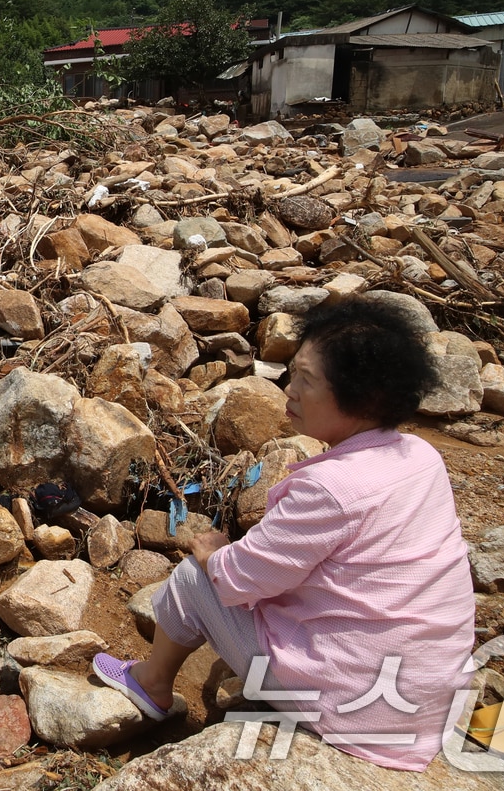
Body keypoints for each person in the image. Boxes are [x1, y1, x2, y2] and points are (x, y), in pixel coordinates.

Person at [93, 296, 476, 771]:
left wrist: (213, 551)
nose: (288, 389)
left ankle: (151, 682)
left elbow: (240, 580)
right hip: (424, 698)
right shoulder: (420, 457)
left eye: (306, 380)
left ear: (363, 398)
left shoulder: (331, 488)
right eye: (293, 372)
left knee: (195, 578)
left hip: (356, 710)